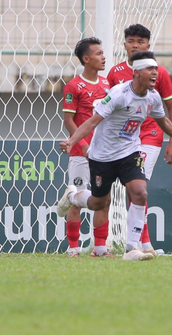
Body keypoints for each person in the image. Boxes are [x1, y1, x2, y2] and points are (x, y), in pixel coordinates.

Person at [58, 51, 172, 261]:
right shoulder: (118, 94)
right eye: (150, 70)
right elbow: (91, 122)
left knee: (140, 193)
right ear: (137, 72)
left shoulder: (153, 97)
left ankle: (132, 248)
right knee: (99, 203)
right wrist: (72, 140)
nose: (155, 74)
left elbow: (164, 122)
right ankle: (73, 197)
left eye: (156, 70)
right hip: (103, 156)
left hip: (130, 152)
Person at [107, 24, 172, 255]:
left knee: (138, 187)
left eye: (140, 41)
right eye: (131, 40)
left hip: (150, 134)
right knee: (133, 189)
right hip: (125, 137)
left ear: (148, 45)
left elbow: (171, 108)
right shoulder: (115, 73)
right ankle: (142, 244)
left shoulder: (160, 72)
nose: (135, 44)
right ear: (124, 44)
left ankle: (142, 243)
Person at [61, 37, 112, 257]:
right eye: (99, 53)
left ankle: (100, 248)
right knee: (79, 197)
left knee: (105, 198)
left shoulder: (108, 85)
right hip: (81, 152)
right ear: (86, 58)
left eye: (103, 53)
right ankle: (73, 248)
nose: (103, 57)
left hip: (104, 152)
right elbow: (68, 120)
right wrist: (81, 144)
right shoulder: (73, 86)